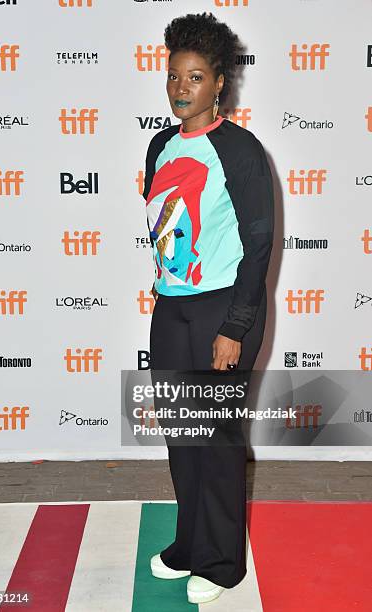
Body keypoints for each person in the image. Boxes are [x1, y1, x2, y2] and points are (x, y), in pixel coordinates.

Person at [141, 12, 274, 605]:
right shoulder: (159, 146)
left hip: (223, 309)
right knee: (181, 436)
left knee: (217, 441)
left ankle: (222, 564)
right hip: (172, 309)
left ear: (218, 82)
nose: (180, 88)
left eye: (194, 77)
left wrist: (235, 328)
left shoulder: (239, 149)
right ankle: (190, 543)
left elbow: (258, 242)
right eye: (174, 76)